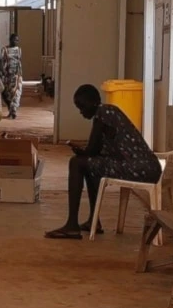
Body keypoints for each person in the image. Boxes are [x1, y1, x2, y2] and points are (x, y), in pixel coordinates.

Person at [45, 84, 162, 240]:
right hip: (146, 167)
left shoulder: (104, 112)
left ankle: (72, 225)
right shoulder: (109, 112)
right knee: (89, 165)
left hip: (140, 168)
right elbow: (95, 153)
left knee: (76, 163)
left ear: (93, 103)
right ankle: (94, 220)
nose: (81, 112)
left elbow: (92, 150)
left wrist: (81, 152)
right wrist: (85, 153)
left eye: (82, 107)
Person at [1, 34, 23, 119]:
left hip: (17, 75)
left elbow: (19, 62)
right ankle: (10, 108)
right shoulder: (5, 49)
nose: (16, 42)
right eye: (14, 40)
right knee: (6, 93)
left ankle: (13, 110)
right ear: (10, 40)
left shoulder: (19, 50)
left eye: (17, 40)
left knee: (16, 93)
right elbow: (2, 62)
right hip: (7, 76)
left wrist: (20, 74)